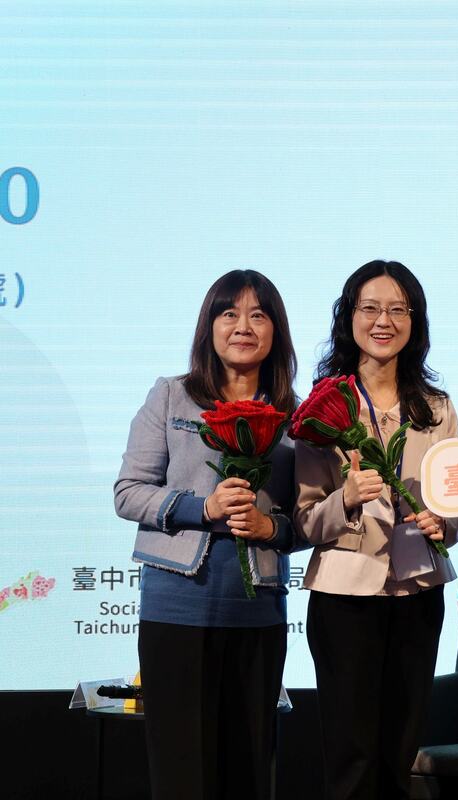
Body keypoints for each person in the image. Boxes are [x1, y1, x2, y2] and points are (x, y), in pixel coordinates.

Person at [114, 269, 298, 800]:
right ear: (209, 327)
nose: (243, 326)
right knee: (182, 774)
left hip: (258, 611)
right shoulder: (172, 397)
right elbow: (128, 493)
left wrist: (272, 526)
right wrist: (202, 508)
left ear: (275, 332)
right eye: (229, 313)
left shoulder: (294, 415)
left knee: (248, 771)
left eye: (258, 315)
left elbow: (303, 518)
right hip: (176, 610)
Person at [294, 260, 458, 800]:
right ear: (348, 317)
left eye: (399, 309)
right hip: (345, 595)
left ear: (414, 322)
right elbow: (304, 519)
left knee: (401, 750)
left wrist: (446, 522)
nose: (383, 320)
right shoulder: (324, 406)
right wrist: (345, 498)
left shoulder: (436, 409)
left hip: (419, 591)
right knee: (352, 756)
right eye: (370, 308)